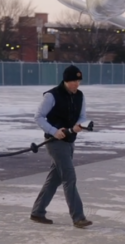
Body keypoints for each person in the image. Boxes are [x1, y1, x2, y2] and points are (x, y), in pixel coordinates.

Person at [31, 65, 93, 228]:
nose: (76, 84)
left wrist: (80, 125)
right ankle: (78, 217)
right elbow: (39, 117)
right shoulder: (52, 96)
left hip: (70, 141)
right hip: (54, 143)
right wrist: (53, 131)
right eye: (73, 80)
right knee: (69, 178)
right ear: (65, 80)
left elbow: (81, 116)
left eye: (78, 81)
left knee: (55, 178)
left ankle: (37, 211)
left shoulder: (80, 96)